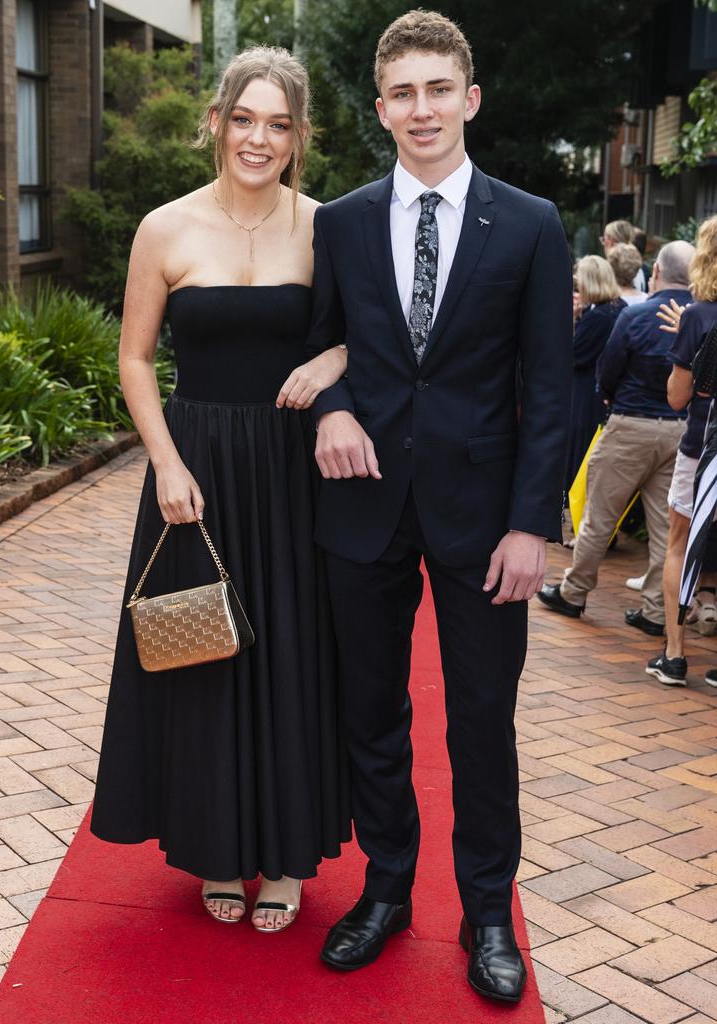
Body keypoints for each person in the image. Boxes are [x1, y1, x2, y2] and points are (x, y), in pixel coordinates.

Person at [307, 10, 572, 1003]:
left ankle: (489, 911)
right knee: (372, 713)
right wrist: (331, 408)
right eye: (401, 94)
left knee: (481, 724)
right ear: (381, 110)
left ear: (469, 98)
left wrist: (531, 522)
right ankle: (384, 891)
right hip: (362, 508)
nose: (421, 110)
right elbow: (321, 345)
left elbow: (551, 388)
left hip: (484, 517)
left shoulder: (535, 225)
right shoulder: (338, 222)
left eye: (437, 89)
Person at [90, 47, 351, 933]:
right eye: (245, 119)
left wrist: (331, 357)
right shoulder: (165, 228)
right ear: (216, 122)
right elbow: (133, 358)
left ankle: (284, 856)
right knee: (198, 653)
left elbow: (376, 338)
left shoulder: (326, 227)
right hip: (193, 467)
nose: (259, 138)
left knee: (287, 653)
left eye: (279, 124)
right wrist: (164, 460)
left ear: (298, 137)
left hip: (290, 471)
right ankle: (213, 845)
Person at [538, 241, 693, 632]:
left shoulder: (636, 315)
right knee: (664, 527)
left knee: (598, 515)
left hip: (630, 422)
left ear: (656, 271)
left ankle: (574, 592)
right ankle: (657, 610)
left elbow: (607, 369)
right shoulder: (699, 318)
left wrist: (608, 398)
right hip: (679, 429)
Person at [646, 214, 717, 686]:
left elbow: (677, 397)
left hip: (703, 448)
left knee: (678, 544)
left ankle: (674, 655)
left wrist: (685, 345)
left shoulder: (697, 316)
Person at [566, 255, 626, 492]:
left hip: (587, 391)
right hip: (607, 390)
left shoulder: (597, 317)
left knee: (580, 448)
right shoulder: (619, 308)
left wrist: (573, 320)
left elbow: (571, 354)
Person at [601, 219, 647, 293]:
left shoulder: (608, 269)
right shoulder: (638, 268)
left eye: (604, 239)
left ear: (611, 241)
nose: (603, 244)